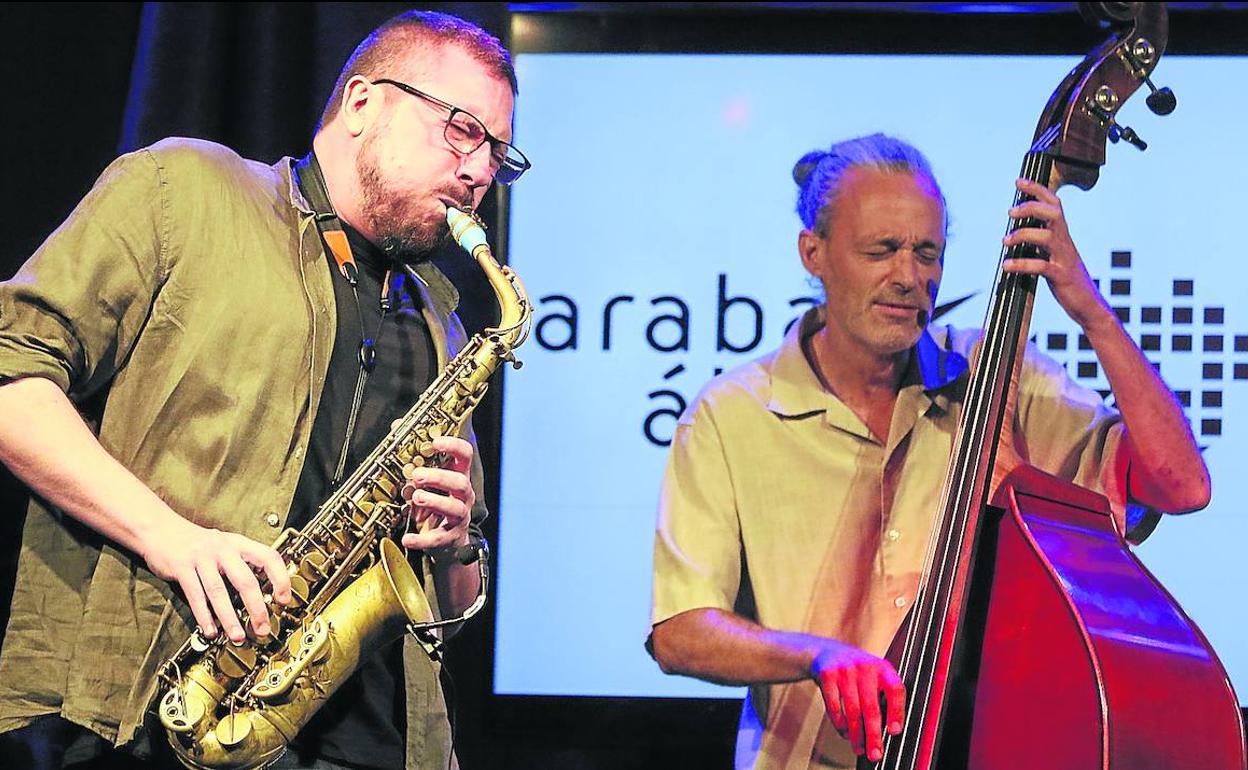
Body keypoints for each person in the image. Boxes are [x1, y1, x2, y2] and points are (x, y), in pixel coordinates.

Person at [0, 10, 527, 770]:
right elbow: (14, 371)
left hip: (377, 745)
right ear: (361, 103)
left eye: (498, 153)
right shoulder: (184, 189)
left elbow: (451, 600)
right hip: (157, 718)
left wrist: (450, 550)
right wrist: (170, 537)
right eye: (462, 129)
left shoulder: (444, 319)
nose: (479, 170)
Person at [647, 134, 1209, 770]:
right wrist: (817, 655)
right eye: (881, 251)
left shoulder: (1002, 381)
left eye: (927, 253)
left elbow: (1181, 486)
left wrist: (1091, 310)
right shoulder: (731, 414)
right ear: (814, 253)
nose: (909, 278)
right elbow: (681, 632)